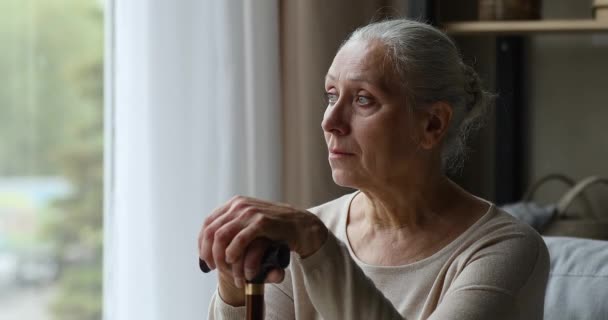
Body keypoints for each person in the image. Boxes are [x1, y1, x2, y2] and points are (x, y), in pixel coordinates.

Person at [200, 19, 549, 320]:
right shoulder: (306, 236)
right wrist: (233, 286)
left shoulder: (505, 250)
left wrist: (321, 249)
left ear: (432, 124)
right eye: (331, 94)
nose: (330, 121)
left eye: (363, 99)